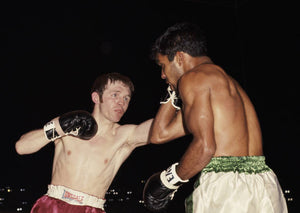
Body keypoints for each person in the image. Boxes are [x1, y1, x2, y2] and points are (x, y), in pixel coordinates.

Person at [143, 22, 288, 213]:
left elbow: (205, 147)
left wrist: (168, 181)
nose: (162, 75)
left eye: (163, 66)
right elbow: (159, 135)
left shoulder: (193, 79)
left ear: (179, 57)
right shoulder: (228, 85)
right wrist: (172, 94)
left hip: (227, 188)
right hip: (265, 184)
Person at [15, 72, 153, 213]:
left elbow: (162, 129)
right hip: (52, 206)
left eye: (126, 98)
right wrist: (60, 127)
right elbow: (21, 147)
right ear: (96, 97)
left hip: (91, 209)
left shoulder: (125, 136)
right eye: (115, 95)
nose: (121, 102)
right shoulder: (68, 127)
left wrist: (175, 95)